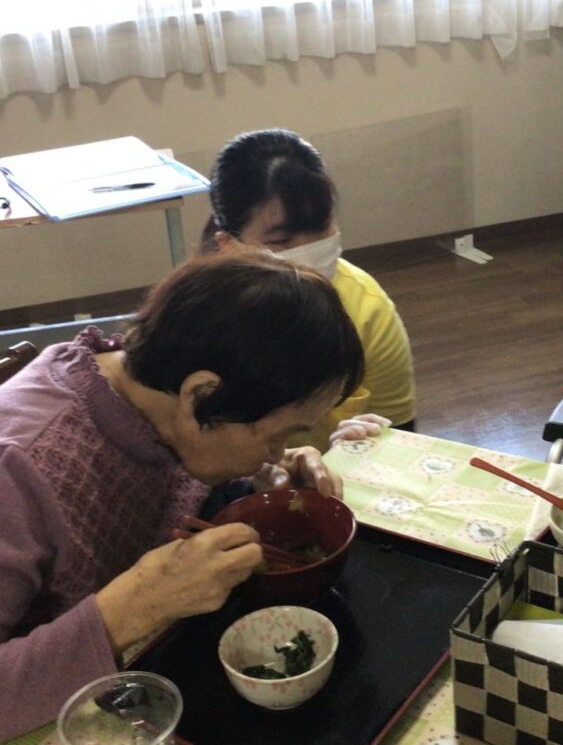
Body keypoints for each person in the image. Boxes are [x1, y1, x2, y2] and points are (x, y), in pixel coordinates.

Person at [0, 249, 364, 738]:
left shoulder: (156, 393)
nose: (278, 452)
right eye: (278, 436)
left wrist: (259, 484)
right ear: (201, 396)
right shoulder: (20, 466)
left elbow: (179, 495)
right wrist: (134, 607)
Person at [202, 128, 416, 450]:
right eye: (281, 240)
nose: (309, 252)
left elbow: (402, 434)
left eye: (320, 228)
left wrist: (362, 448)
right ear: (228, 244)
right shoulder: (201, 319)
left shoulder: (367, 309)